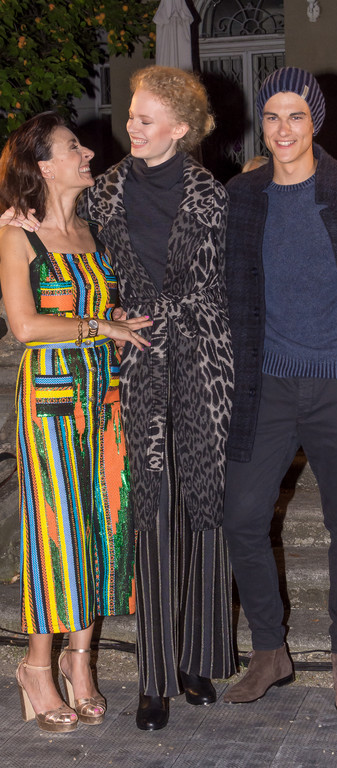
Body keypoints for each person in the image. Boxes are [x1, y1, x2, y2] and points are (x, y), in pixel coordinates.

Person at [78, 66, 236, 731]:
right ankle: (155, 676)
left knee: (204, 501)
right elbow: (68, 249)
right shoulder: (102, 194)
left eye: (145, 119)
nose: (131, 127)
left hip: (205, 357)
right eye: (131, 116)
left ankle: (199, 658)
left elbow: (230, 283)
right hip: (140, 356)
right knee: (153, 507)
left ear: (179, 127)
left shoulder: (212, 195)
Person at [222, 66, 337, 713]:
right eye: (272, 116)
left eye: (296, 115)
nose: (283, 129)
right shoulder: (243, 194)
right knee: (242, 516)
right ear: (263, 122)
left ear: (316, 121)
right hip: (269, 383)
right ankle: (269, 650)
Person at [0, 112, 151, 732]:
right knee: (56, 531)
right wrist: (100, 326)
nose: (88, 152)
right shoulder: (18, 234)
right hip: (51, 400)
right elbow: (25, 326)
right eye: (72, 147)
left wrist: (123, 324)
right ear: (43, 166)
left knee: (102, 527)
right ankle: (37, 665)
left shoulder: (94, 231)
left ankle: (79, 662)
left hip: (106, 395)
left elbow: (107, 304)